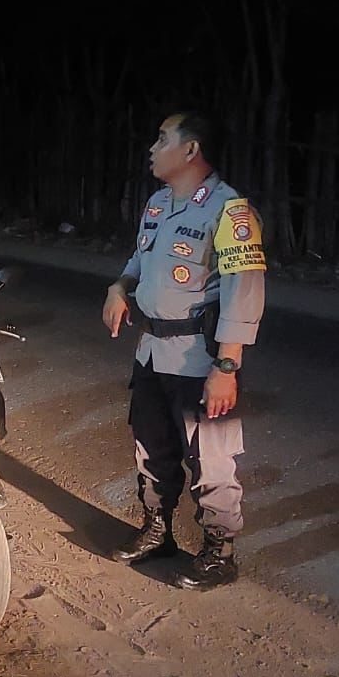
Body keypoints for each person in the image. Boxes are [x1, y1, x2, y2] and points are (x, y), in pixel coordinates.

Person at [101, 110, 266, 590]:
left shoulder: (229, 211)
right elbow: (141, 257)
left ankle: (220, 551)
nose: (152, 148)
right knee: (151, 446)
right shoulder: (158, 204)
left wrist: (227, 366)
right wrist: (119, 286)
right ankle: (158, 530)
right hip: (151, 352)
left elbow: (244, 290)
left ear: (191, 149)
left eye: (161, 139)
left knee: (210, 459)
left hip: (200, 357)